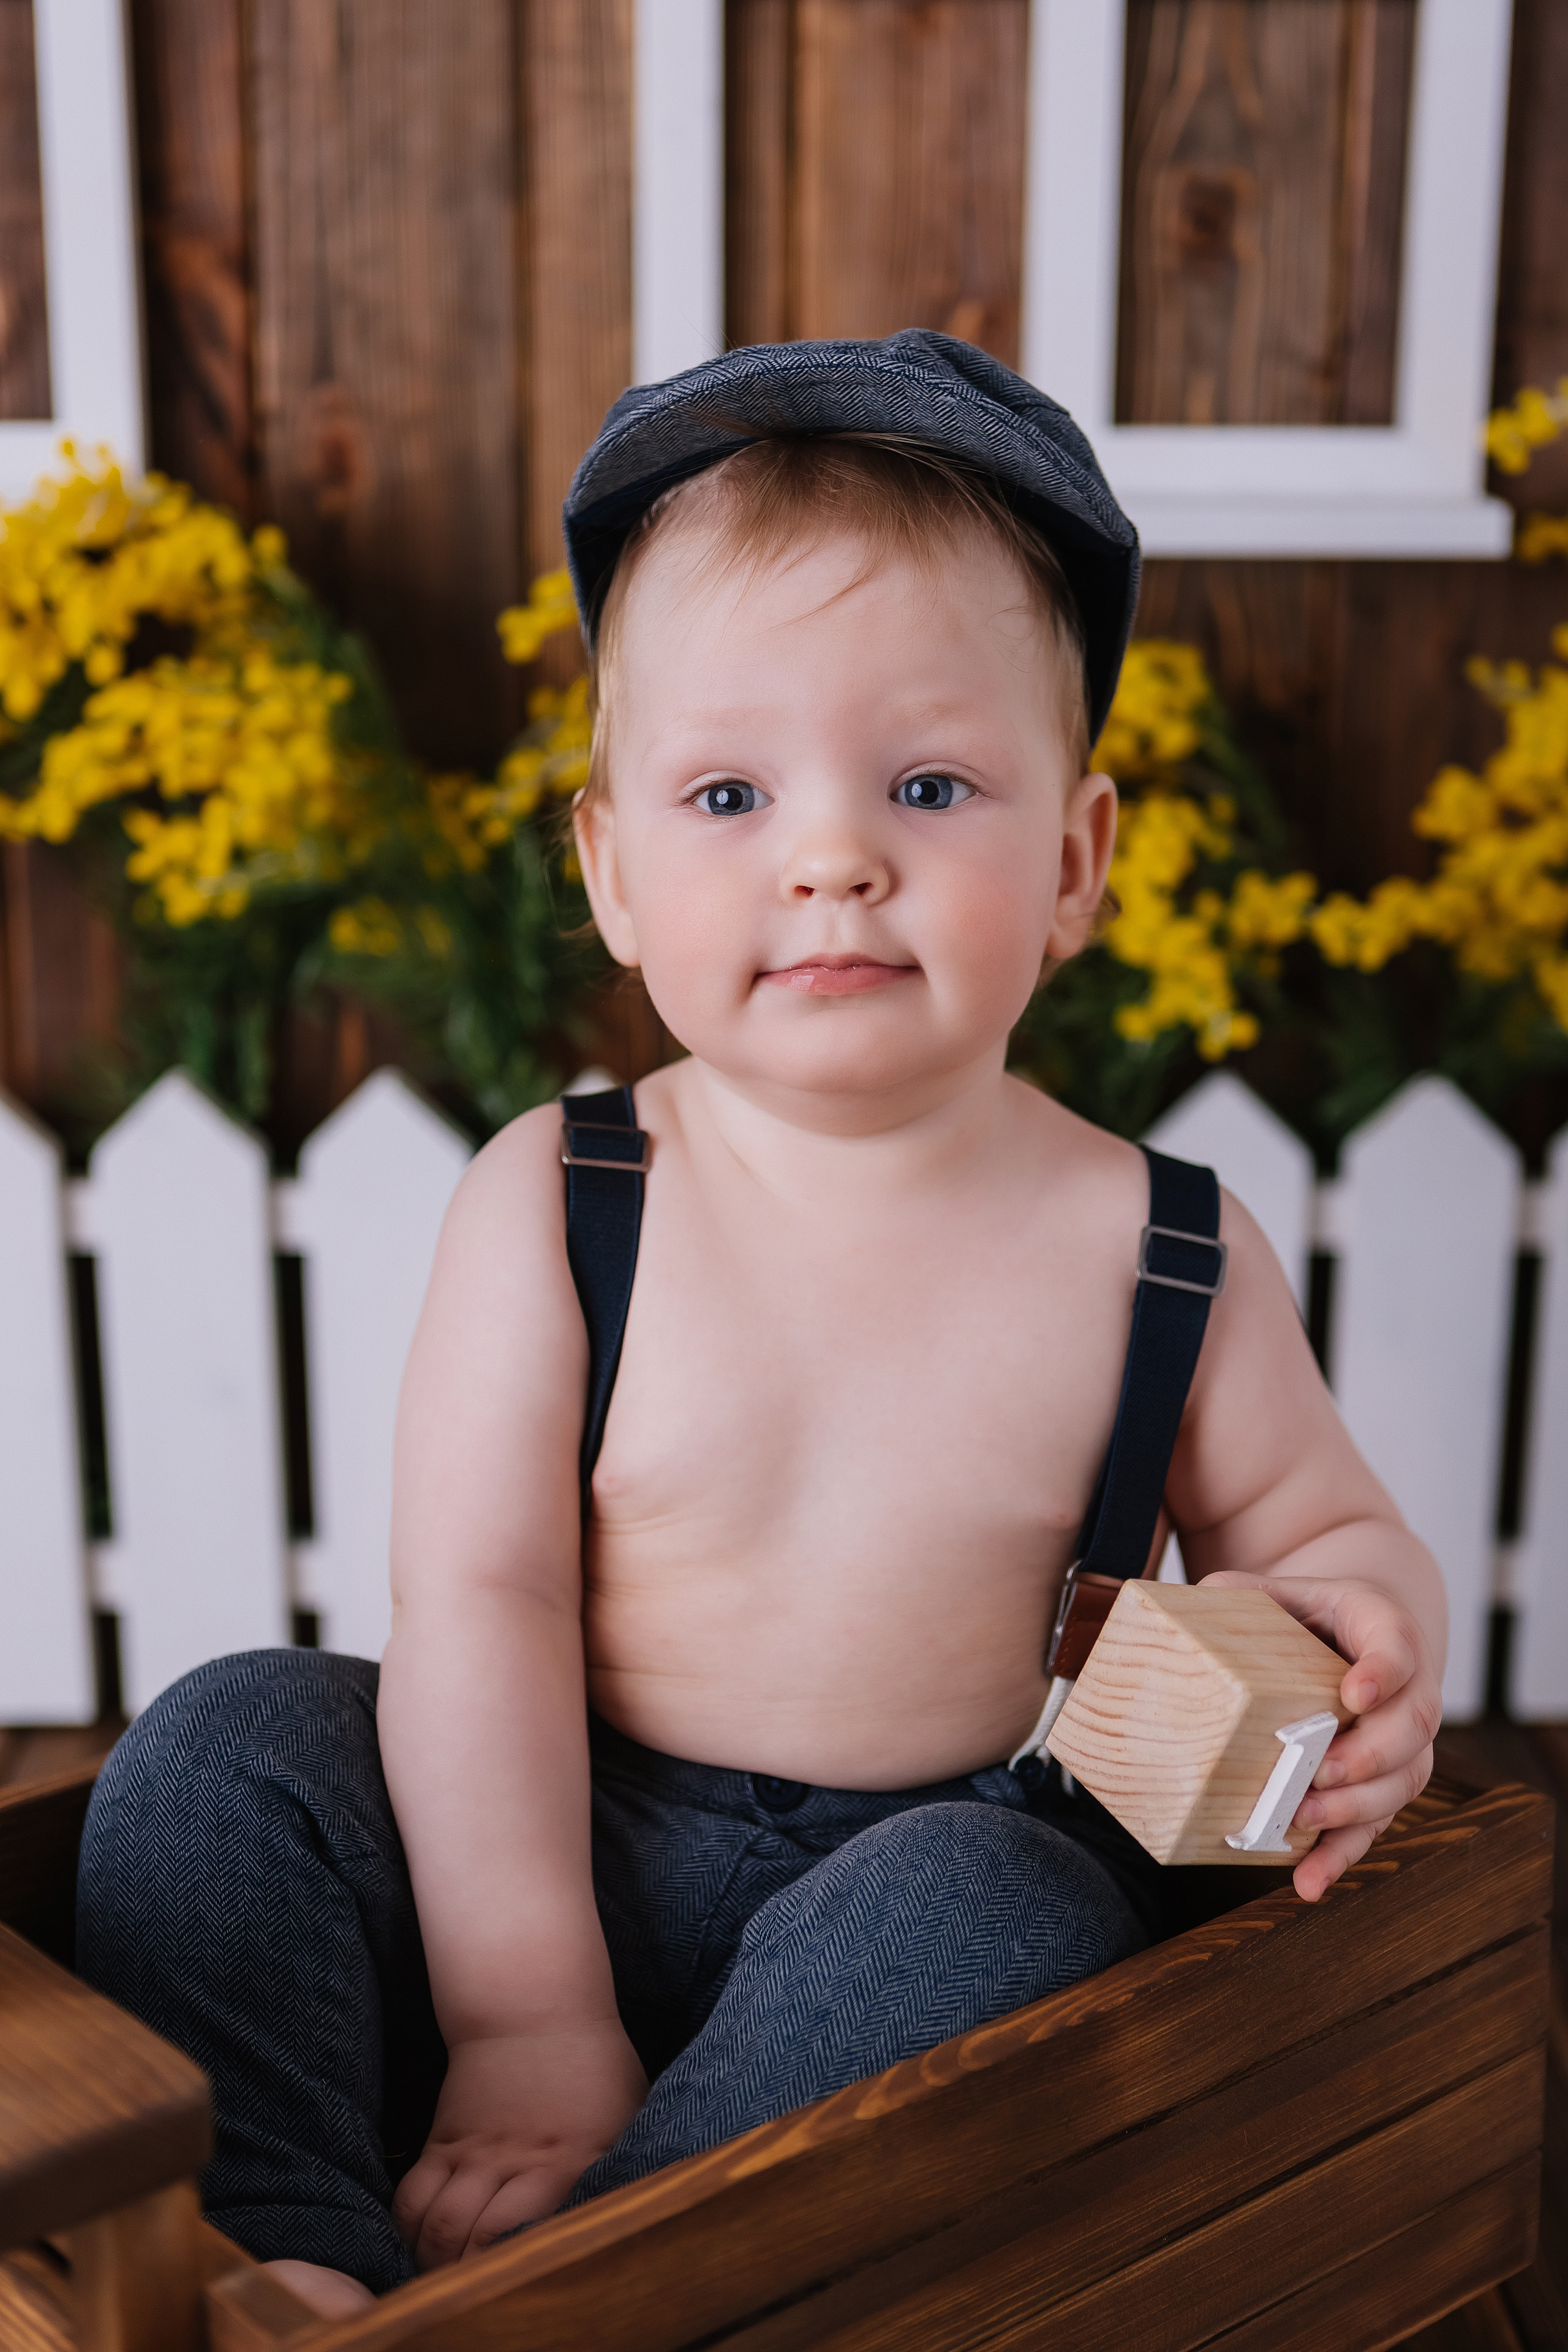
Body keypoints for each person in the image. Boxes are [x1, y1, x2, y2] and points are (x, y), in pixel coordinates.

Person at [77, 334, 1446, 2320]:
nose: (833, 854)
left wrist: (1366, 1631)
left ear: (1073, 862)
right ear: (614, 872)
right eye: (730, 790)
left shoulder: (1164, 1245)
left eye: (928, 783)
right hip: (541, 1832)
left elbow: (1317, 1539)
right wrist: (527, 2013)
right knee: (225, 1746)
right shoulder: (562, 1201)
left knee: (1004, 1905)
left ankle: (583, 2281)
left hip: (915, 1901)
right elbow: (482, 1611)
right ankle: (284, 2249)